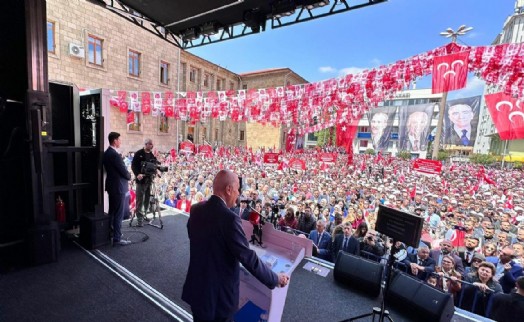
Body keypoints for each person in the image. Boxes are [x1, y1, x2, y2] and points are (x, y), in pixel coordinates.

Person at [182, 170, 289, 321]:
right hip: (219, 299)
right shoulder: (229, 219)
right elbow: (248, 257)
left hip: (197, 290)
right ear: (228, 189)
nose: (239, 193)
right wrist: (275, 279)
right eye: (237, 189)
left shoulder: (196, 209)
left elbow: (194, 236)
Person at [102, 132, 131, 246]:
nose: (120, 141)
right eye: (119, 139)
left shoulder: (107, 153)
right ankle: (117, 239)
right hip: (119, 188)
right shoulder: (114, 155)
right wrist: (129, 175)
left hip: (112, 186)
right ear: (114, 140)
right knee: (118, 214)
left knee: (112, 212)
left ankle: (110, 234)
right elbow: (124, 172)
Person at [131, 138, 158, 227]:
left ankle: (145, 214)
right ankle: (139, 219)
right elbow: (133, 165)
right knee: (140, 200)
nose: (151, 146)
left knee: (147, 199)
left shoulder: (151, 155)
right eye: (150, 144)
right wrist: (137, 174)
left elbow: (154, 165)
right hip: (141, 181)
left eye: (152, 144)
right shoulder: (139, 153)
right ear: (146, 144)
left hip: (149, 180)